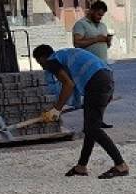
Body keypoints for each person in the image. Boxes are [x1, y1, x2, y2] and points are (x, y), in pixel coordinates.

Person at [32, 44, 128, 180]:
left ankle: (121, 165)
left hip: (96, 82)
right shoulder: (64, 55)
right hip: (104, 77)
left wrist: (56, 109)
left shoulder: (52, 61)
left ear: (43, 57)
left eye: (39, 62)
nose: (42, 66)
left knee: (92, 129)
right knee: (90, 128)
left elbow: (68, 84)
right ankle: (81, 166)